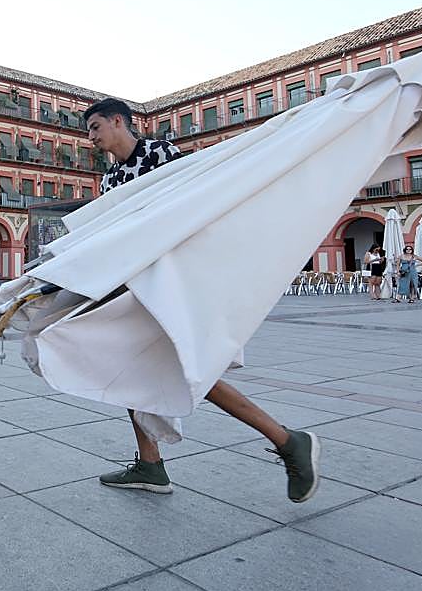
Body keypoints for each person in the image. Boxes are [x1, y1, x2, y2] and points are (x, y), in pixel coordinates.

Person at [83, 98, 320, 503]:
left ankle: (288, 441)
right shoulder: (110, 180)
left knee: (193, 374)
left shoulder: (160, 154)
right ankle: (150, 464)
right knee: (131, 370)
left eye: (94, 127)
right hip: (137, 285)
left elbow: (191, 208)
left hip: (176, 283)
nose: (90, 137)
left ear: (118, 121)